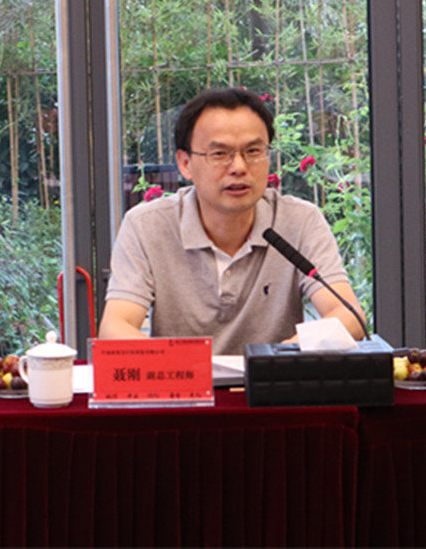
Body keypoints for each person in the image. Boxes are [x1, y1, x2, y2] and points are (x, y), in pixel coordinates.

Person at [99, 88, 366, 355]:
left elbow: (349, 315)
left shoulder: (299, 220)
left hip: (270, 379)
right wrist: (189, 368)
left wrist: (281, 355)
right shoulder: (147, 226)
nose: (239, 167)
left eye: (253, 151)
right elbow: (115, 328)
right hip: (185, 380)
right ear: (185, 163)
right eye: (219, 154)